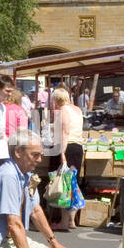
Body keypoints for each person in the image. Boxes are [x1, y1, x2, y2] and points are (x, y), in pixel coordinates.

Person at [49, 86, 84, 232]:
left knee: (64, 185)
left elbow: (65, 132)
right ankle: (71, 220)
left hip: (67, 147)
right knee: (73, 183)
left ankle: (63, 222)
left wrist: (62, 154)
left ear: (56, 100)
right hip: (78, 147)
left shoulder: (63, 111)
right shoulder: (77, 109)